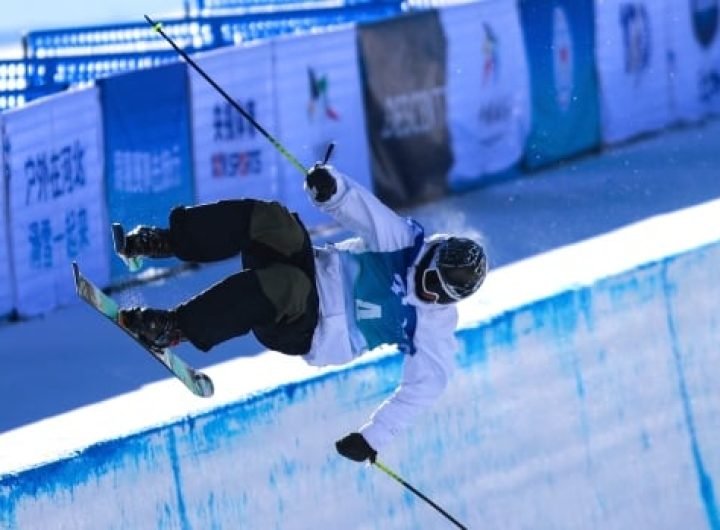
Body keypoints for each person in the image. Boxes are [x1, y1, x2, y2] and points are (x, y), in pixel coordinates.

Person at [116, 163, 488, 464]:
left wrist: (372, 438)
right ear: (434, 257)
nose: (428, 288)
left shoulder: (432, 327)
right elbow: (362, 210)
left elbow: (425, 389)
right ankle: (166, 240)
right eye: (430, 276)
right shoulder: (406, 246)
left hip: (311, 330)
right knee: (274, 220)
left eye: (439, 292)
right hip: (312, 269)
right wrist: (331, 188)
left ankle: (173, 327)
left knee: (288, 287)